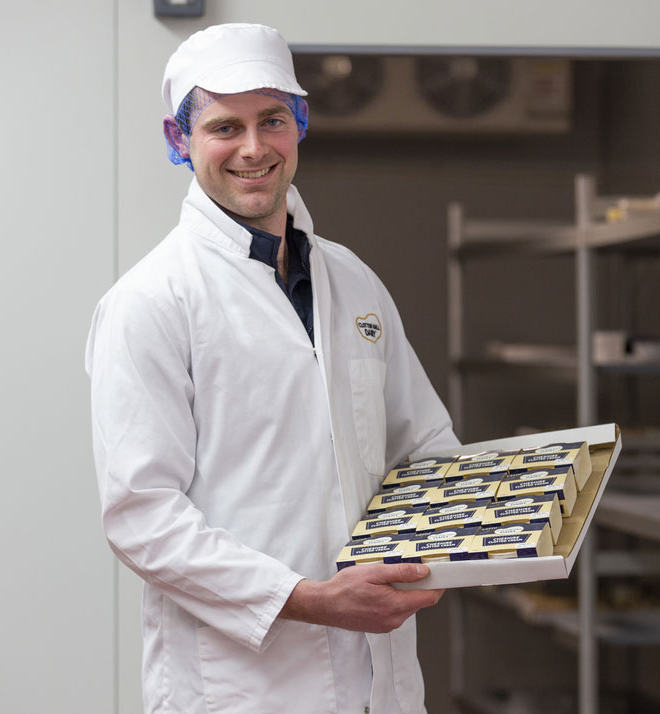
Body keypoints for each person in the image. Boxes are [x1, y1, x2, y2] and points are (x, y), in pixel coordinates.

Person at [86, 23, 458, 714]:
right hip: (244, 687)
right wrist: (312, 600)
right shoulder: (150, 301)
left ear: (302, 124)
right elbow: (143, 516)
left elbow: (424, 446)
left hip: (380, 681)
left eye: (273, 121)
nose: (254, 149)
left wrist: (500, 524)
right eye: (225, 126)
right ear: (178, 139)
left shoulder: (353, 281)